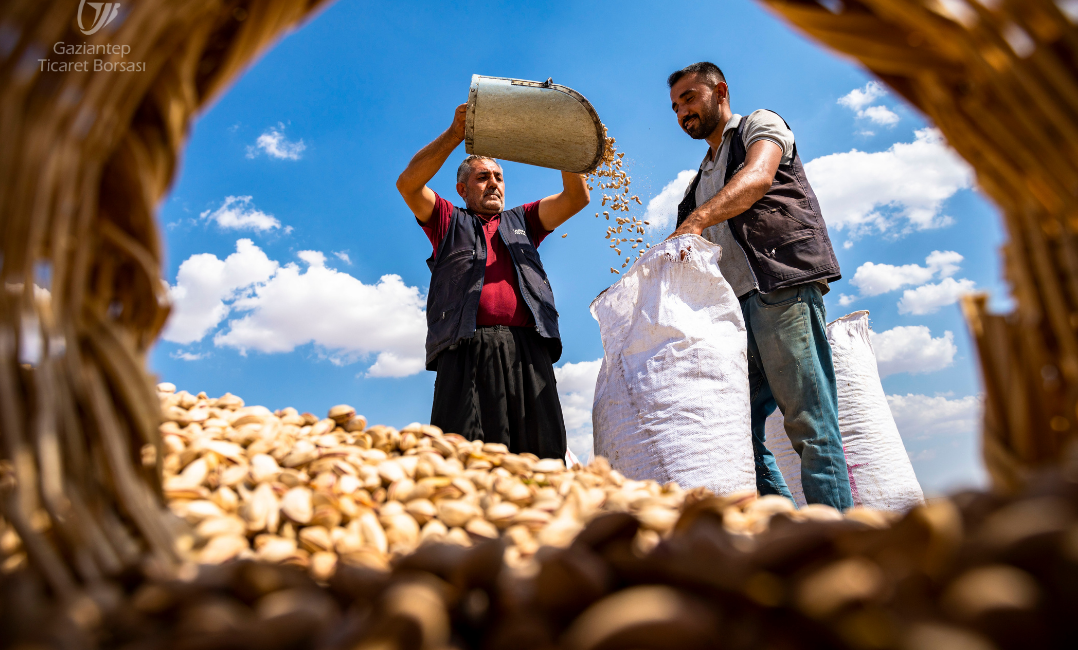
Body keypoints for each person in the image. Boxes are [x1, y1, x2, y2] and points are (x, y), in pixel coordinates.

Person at [666, 62, 852, 509]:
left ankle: (839, 541)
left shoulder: (759, 126)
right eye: (675, 107)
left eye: (689, 98)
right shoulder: (698, 180)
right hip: (734, 314)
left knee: (810, 423)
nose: (682, 113)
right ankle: (785, 528)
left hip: (779, 290)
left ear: (720, 91)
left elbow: (758, 177)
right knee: (736, 433)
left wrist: (696, 220)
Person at [396, 103, 590, 459]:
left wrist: (566, 144)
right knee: (466, 453)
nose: (494, 184)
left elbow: (577, 197)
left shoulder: (524, 221)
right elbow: (408, 184)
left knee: (541, 450)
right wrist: (456, 134)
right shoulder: (448, 221)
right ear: (462, 189)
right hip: (465, 346)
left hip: (528, 348)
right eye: (483, 177)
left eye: (499, 177)